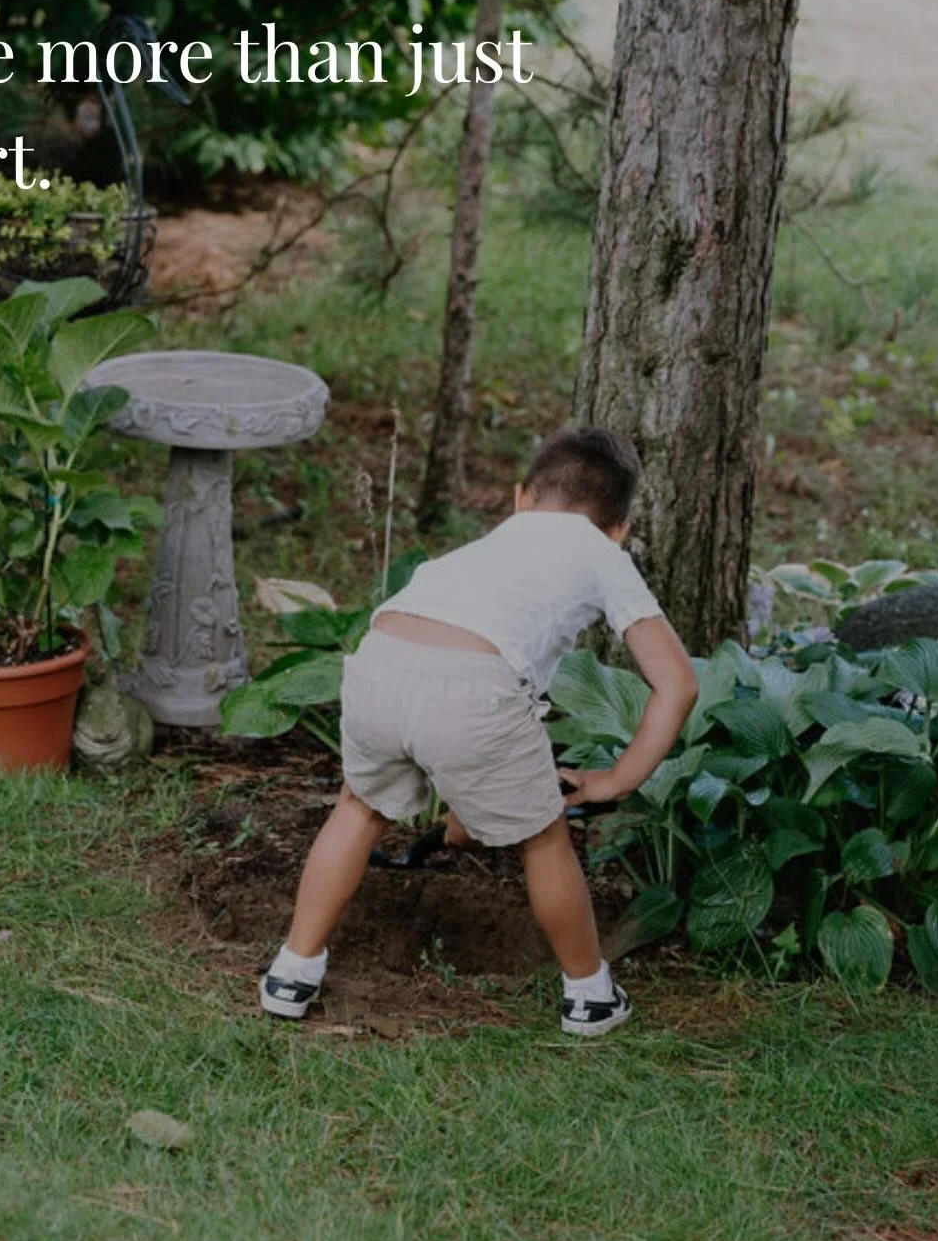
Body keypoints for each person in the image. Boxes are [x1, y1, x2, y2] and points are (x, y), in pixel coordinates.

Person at [260, 426, 699, 1036]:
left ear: (521, 497)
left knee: (357, 808)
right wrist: (614, 780)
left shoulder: (482, 550)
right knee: (545, 839)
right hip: (473, 688)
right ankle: (590, 994)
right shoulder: (604, 554)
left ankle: (291, 971)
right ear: (619, 528)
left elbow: (447, 700)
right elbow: (677, 685)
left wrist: (471, 807)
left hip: (377, 661)